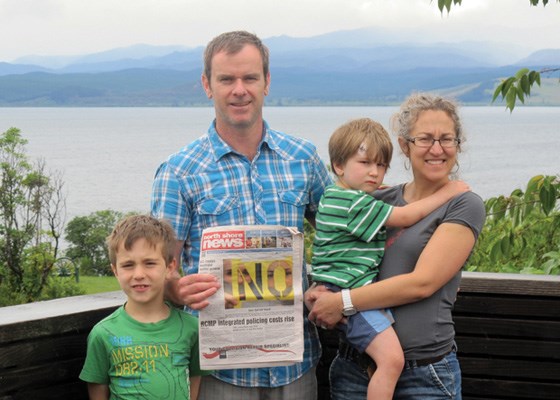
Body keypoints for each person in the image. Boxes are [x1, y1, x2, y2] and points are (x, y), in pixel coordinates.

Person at [150, 30, 332, 400]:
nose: (239, 89)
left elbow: (339, 233)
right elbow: (159, 265)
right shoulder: (178, 171)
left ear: (266, 82)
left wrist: (331, 284)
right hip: (220, 372)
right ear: (207, 85)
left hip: (295, 365)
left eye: (249, 78)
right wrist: (174, 288)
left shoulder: (304, 158)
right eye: (226, 79)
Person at [306, 93, 486, 400]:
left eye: (447, 139)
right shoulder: (379, 199)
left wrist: (340, 302)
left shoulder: (463, 204)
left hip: (425, 375)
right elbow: (339, 252)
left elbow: (422, 283)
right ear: (405, 145)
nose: (437, 149)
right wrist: (319, 290)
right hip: (355, 367)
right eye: (425, 139)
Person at [79, 214, 210, 400]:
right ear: (115, 271)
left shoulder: (191, 329)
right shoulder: (103, 334)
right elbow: (98, 390)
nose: (139, 274)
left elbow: (194, 382)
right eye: (128, 265)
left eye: (150, 263)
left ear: (170, 267)